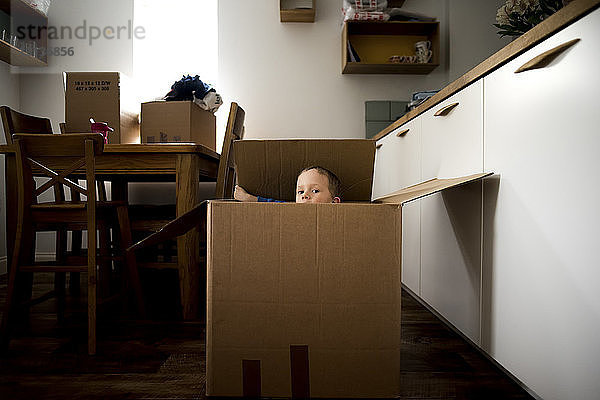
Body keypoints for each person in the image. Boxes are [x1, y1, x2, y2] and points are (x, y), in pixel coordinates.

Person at [234, 166, 342, 204]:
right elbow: (273, 204)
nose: (304, 195)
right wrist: (249, 198)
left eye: (314, 191)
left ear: (334, 202)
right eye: (300, 192)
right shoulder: (292, 209)